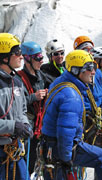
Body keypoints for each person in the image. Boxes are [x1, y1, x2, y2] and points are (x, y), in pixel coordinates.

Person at [41, 50, 102, 180]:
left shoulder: (61, 82)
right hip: (60, 148)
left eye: (93, 67)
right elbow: (65, 132)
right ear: (76, 70)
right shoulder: (72, 96)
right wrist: (66, 158)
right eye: (89, 68)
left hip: (51, 146)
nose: (93, 72)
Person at [73, 36, 102, 179]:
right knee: (78, 163)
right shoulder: (75, 75)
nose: (89, 52)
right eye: (85, 49)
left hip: (98, 123)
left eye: (90, 49)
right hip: (83, 125)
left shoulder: (98, 72)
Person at [0, 33, 33, 179]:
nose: (22, 56)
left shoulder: (17, 83)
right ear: (5, 57)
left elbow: (22, 111)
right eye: (17, 53)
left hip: (14, 150)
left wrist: (25, 125)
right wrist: (13, 126)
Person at [17, 41, 49, 174]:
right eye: (38, 58)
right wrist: (33, 97)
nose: (41, 61)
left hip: (39, 126)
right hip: (27, 127)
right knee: (25, 163)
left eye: (42, 57)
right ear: (27, 59)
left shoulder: (41, 76)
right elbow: (16, 102)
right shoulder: (18, 79)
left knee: (34, 162)